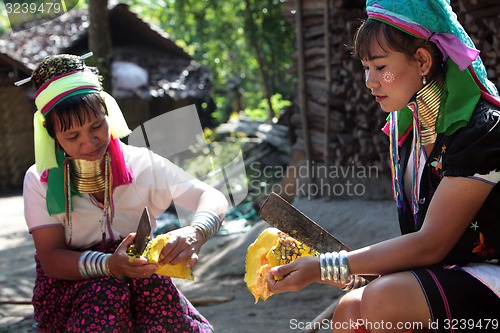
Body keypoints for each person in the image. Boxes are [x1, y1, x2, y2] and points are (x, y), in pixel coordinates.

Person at [266, 1, 500, 332]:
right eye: (365, 68)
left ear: (422, 60)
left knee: (384, 300)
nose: (369, 82)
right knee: (349, 311)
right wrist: (344, 269)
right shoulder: (408, 135)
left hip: (491, 275)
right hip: (448, 273)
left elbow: (432, 243)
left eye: (380, 67)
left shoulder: (483, 131)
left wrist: (326, 266)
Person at [22, 54, 228, 332]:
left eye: (97, 125)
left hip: (140, 281)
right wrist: (109, 265)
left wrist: (196, 232)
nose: (89, 142)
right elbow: (52, 259)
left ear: (108, 113)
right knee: (105, 296)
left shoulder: (142, 164)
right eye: (72, 136)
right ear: (52, 135)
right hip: (72, 290)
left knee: (155, 294)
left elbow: (211, 197)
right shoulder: (39, 181)